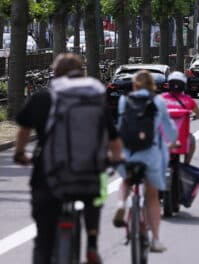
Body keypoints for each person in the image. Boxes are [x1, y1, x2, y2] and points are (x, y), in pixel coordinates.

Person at [14, 53, 123, 264]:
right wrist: (115, 160)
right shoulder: (94, 99)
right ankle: (91, 245)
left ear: (54, 73)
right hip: (87, 175)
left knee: (43, 239)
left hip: (49, 176)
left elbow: (24, 130)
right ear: (81, 72)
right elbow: (114, 140)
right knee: (95, 197)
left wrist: (20, 153)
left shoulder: (44, 97)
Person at [113, 70, 177, 253]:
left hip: (128, 152)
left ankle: (120, 205)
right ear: (152, 86)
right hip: (150, 154)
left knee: (126, 180)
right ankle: (156, 239)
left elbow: (120, 125)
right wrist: (172, 142)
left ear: (134, 85)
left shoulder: (124, 101)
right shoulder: (158, 101)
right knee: (152, 196)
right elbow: (169, 129)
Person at [162, 71, 199, 164]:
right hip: (181, 137)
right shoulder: (188, 100)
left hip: (164, 136)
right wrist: (198, 116)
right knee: (191, 140)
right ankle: (187, 163)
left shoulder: (161, 98)